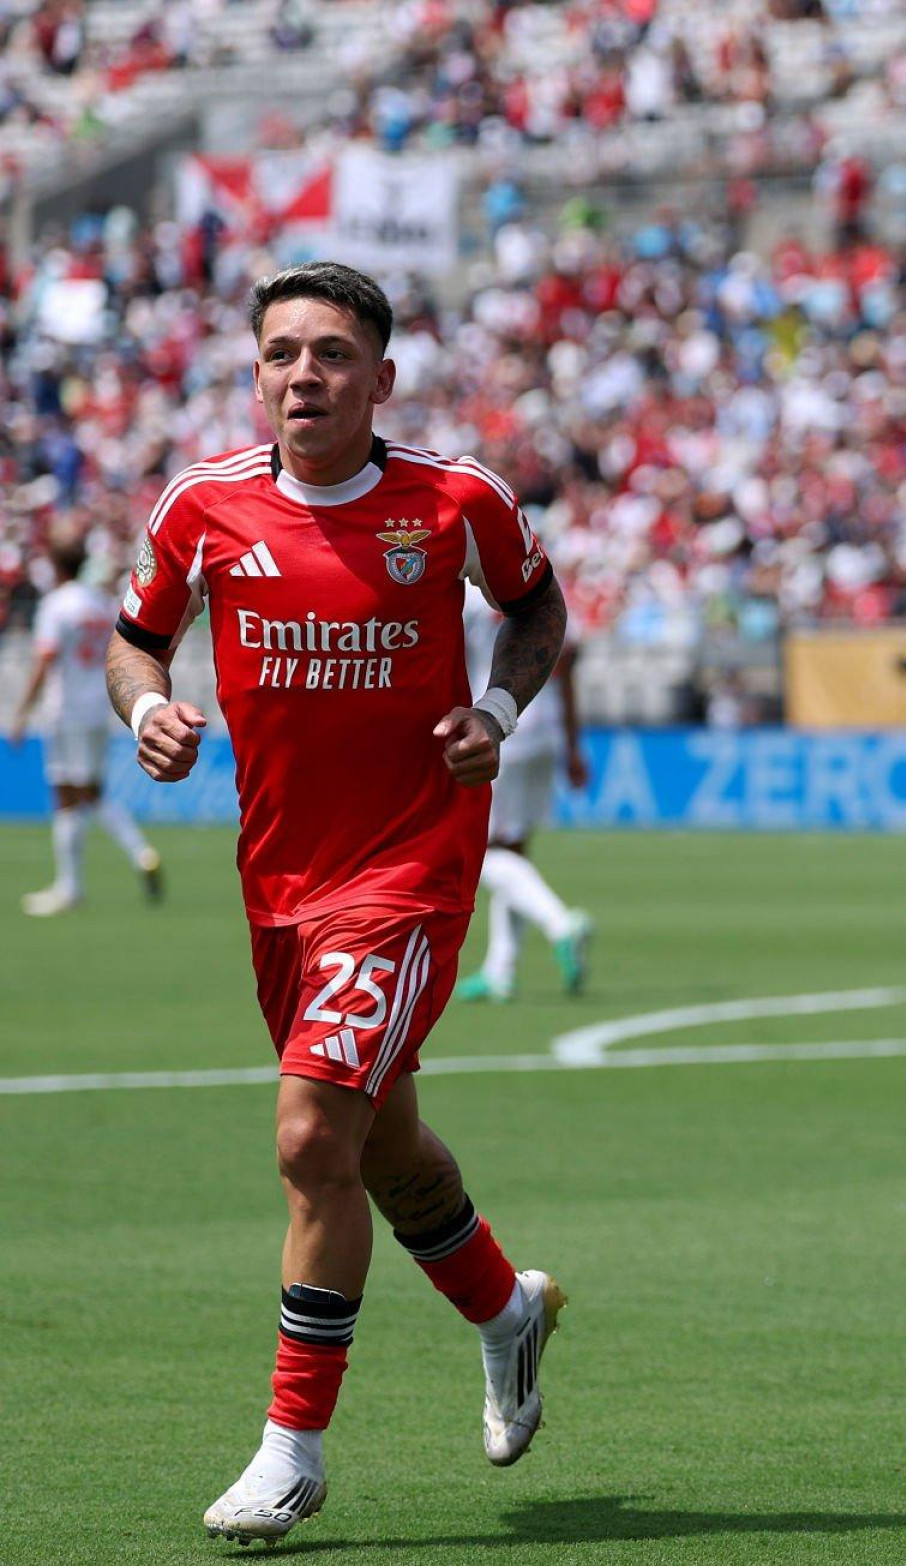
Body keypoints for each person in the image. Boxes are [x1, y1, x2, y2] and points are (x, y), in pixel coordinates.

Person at [106, 261, 569, 1545]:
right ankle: (506, 1312)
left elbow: (537, 604)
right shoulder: (201, 506)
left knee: (314, 1138)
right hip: (279, 880)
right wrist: (147, 709)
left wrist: (496, 708)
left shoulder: (455, 499)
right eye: (280, 354)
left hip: (408, 870)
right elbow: (134, 638)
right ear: (255, 374)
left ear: (381, 377)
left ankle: (291, 1450)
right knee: (383, 1146)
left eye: (331, 353)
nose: (302, 374)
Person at [453, 581, 594, 1002]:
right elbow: (566, 671)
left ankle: (560, 924)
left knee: (479, 851)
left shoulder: (466, 593)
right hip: (543, 729)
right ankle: (502, 969)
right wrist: (573, 746)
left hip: (495, 729)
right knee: (513, 850)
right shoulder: (549, 588)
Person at [10, 536, 162, 914]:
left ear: (55, 564)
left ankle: (70, 886)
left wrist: (22, 712)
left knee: (65, 794)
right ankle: (141, 851)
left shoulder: (56, 605)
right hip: (100, 706)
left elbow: (46, 659)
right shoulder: (101, 602)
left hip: (66, 709)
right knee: (92, 793)